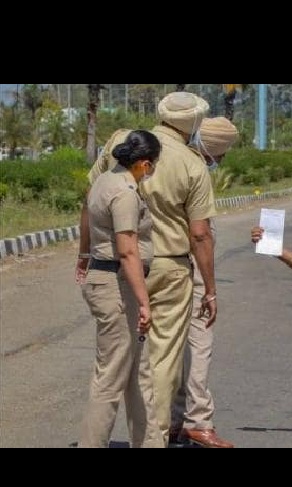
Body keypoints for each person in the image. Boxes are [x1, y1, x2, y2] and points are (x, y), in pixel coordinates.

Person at [83, 91, 217, 445]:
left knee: (126, 363)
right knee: (158, 361)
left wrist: (83, 254)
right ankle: (151, 437)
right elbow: (200, 234)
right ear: (195, 125)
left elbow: (90, 198)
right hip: (168, 268)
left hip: (117, 269)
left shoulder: (120, 142)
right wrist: (210, 287)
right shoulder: (192, 164)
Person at [76, 130, 165, 448]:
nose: (152, 170)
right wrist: (144, 302)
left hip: (110, 279)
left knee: (138, 374)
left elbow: (86, 218)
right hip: (118, 286)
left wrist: (83, 256)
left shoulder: (104, 180)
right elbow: (128, 251)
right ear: (144, 163)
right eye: (153, 164)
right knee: (110, 380)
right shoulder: (125, 191)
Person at [170, 117, 239, 448]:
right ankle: (198, 420)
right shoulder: (197, 170)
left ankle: (172, 419)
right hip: (191, 266)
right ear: (215, 153)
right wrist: (211, 289)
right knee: (199, 343)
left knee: (171, 346)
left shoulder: (170, 159)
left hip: (162, 265)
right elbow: (200, 234)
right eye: (222, 156)